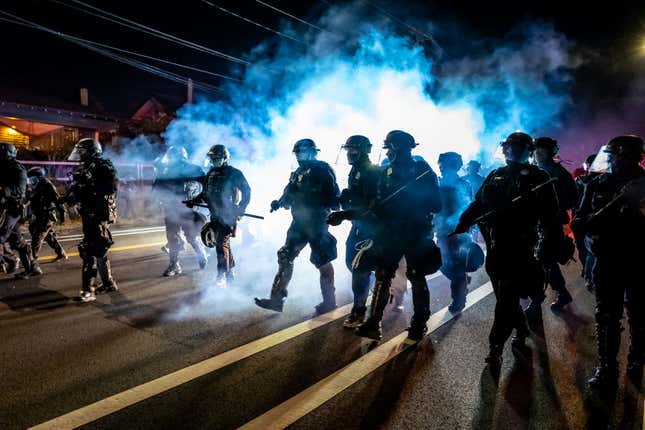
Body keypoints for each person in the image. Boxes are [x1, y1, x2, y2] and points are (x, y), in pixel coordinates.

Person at [452, 132, 563, 367]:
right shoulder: (496, 174)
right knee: (505, 296)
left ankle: (495, 346)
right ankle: (521, 327)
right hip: (495, 245)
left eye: (512, 147)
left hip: (521, 246)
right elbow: (479, 203)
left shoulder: (538, 177)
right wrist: (464, 221)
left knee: (506, 296)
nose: (506, 151)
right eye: (506, 146)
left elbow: (551, 216)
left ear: (526, 150)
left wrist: (550, 244)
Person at [572, 135, 645, 390]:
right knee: (606, 316)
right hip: (607, 259)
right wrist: (615, 205)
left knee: (638, 313)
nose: (610, 160)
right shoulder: (598, 184)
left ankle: (637, 357)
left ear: (626, 155)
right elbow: (579, 222)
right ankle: (607, 368)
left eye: (613, 155)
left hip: (639, 259)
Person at [355, 130, 443, 342]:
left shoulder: (422, 170)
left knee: (415, 274)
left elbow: (436, 204)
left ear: (404, 148)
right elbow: (376, 202)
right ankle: (373, 322)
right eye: (389, 149)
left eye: (392, 148)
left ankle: (419, 323)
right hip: (391, 232)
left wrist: (414, 198)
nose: (390, 152)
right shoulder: (385, 171)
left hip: (416, 232)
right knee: (383, 274)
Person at [255, 138, 340, 314]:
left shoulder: (323, 169)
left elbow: (334, 195)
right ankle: (276, 300)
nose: (298, 156)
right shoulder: (298, 171)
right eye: (297, 153)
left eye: (300, 152)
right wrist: (278, 203)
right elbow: (289, 191)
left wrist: (332, 207)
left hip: (317, 223)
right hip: (299, 223)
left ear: (311, 151)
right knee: (285, 256)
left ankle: (330, 301)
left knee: (322, 261)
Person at [327, 135, 381, 328]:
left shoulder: (370, 172)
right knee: (353, 264)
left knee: (359, 269)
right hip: (358, 225)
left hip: (371, 228)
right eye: (348, 149)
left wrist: (344, 214)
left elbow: (371, 207)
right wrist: (343, 200)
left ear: (364, 150)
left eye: (354, 149)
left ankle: (359, 311)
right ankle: (372, 283)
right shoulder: (357, 170)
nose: (349, 153)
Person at [63, 138, 119, 302]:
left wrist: (88, 187)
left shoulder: (103, 165)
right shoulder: (85, 167)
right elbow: (77, 187)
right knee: (99, 249)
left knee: (88, 249)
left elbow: (111, 187)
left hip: (99, 213)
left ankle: (88, 291)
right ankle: (109, 283)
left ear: (90, 151)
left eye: (81, 151)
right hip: (88, 212)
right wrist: (68, 197)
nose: (79, 154)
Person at [188, 144, 250, 287]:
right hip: (215, 214)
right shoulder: (210, 174)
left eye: (217, 158)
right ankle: (230, 273)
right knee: (223, 243)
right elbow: (206, 192)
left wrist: (241, 208)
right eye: (212, 158)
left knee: (221, 244)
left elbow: (247, 191)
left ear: (225, 158)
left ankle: (221, 275)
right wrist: (194, 201)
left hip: (228, 215)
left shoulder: (233, 173)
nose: (214, 161)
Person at [529, 136, 578, 313]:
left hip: (551, 223)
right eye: (535, 151)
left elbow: (573, 198)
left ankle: (541, 299)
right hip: (535, 223)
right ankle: (559, 293)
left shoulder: (559, 173)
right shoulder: (534, 171)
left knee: (544, 259)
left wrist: (555, 206)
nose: (537, 154)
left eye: (541, 151)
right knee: (544, 261)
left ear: (550, 153)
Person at [153, 145, 208, 277]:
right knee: (173, 237)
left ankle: (201, 254)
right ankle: (174, 264)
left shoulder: (193, 169)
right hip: (171, 208)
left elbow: (205, 186)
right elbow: (157, 187)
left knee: (192, 237)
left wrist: (200, 199)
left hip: (188, 208)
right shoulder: (166, 171)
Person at [435, 152, 474, 313]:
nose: (440, 166)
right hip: (442, 232)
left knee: (456, 267)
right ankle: (462, 281)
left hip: (458, 234)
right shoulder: (439, 183)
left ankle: (459, 300)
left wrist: (453, 221)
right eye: (440, 163)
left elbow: (466, 206)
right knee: (442, 264)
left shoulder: (462, 184)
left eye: (443, 163)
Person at [0, 142, 36, 279]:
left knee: (1, 236)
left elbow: (19, 190)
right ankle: (32, 267)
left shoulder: (17, 168)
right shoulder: (2, 167)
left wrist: (4, 190)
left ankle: (3, 262)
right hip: (4, 209)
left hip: (12, 209)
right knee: (16, 241)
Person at [26, 166, 67, 265]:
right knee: (42, 233)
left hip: (47, 216)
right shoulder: (35, 187)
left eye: (33, 179)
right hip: (39, 215)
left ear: (39, 177)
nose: (31, 182)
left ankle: (32, 262)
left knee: (37, 237)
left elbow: (57, 200)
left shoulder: (47, 185)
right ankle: (61, 253)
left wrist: (62, 214)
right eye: (30, 180)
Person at [573, 154, 599, 292]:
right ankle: (589, 277)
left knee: (589, 252)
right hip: (584, 221)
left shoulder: (594, 181)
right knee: (588, 251)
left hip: (587, 221)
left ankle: (589, 276)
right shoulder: (583, 181)